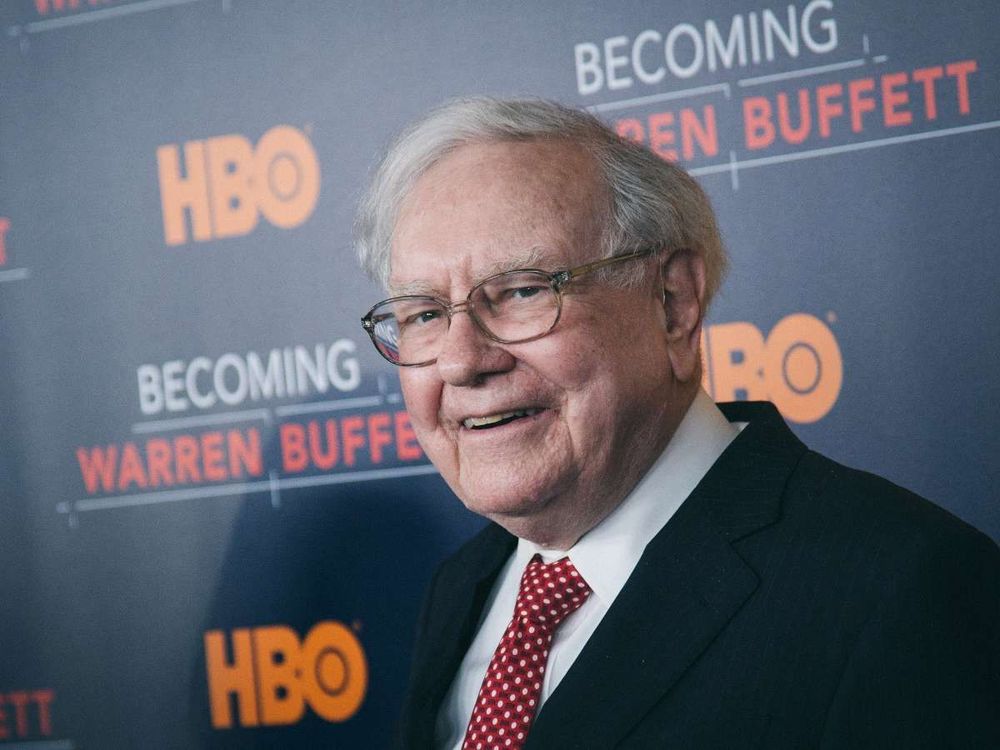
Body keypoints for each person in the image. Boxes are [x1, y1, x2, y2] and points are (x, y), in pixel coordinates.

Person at [355, 97, 999, 749]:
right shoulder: (464, 586)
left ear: (673, 303)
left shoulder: (902, 588)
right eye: (424, 314)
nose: (463, 361)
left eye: (523, 291)